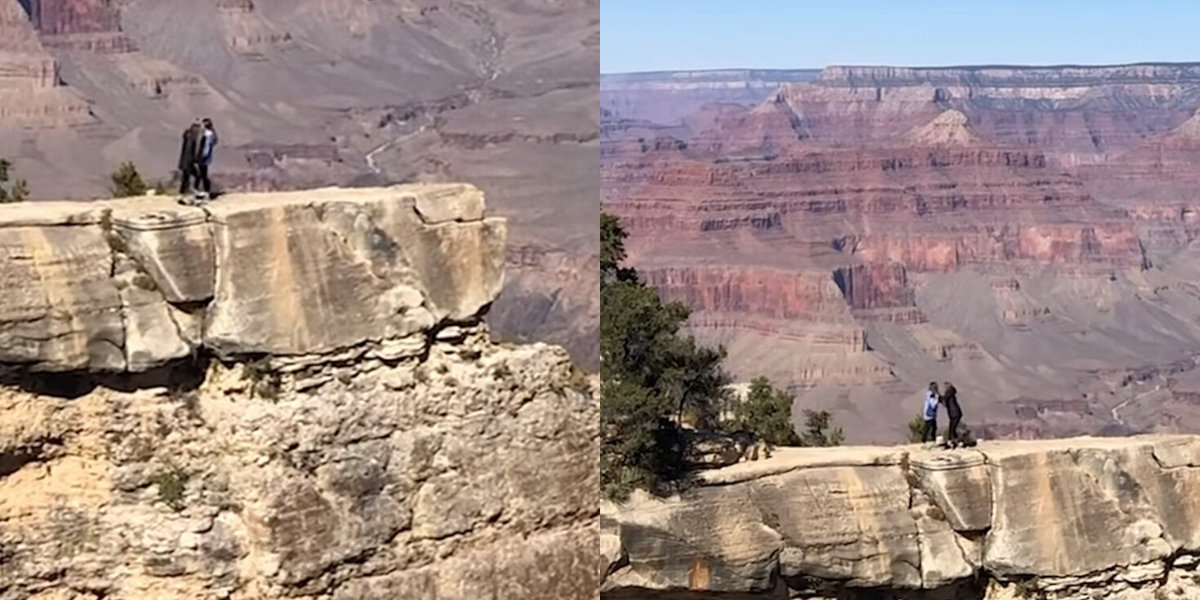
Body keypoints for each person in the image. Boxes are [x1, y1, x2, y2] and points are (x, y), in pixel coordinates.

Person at [177, 120, 203, 198]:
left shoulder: (188, 136)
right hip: (188, 162)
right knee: (196, 175)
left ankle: (182, 192)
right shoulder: (191, 138)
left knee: (185, 178)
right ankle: (193, 190)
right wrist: (194, 159)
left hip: (184, 161)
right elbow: (189, 150)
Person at [196, 117, 218, 199]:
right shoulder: (209, 134)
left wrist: (202, 156)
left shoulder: (208, 135)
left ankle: (204, 191)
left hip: (204, 158)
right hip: (205, 158)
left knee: (202, 174)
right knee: (202, 174)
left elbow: (206, 147)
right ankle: (205, 191)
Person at [942, 381, 963, 449]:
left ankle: (953, 442)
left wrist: (937, 396)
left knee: (952, 428)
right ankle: (955, 441)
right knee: (952, 428)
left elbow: (944, 399)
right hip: (954, 413)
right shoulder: (951, 393)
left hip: (954, 413)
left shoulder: (949, 392)